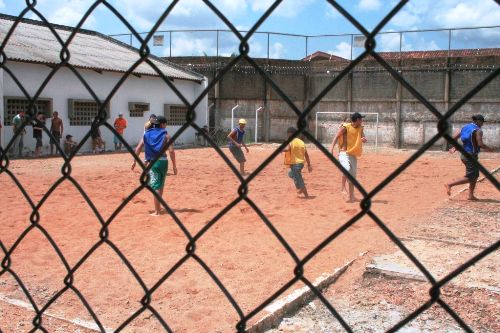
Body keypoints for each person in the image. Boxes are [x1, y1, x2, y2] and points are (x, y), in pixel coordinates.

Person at [131, 116, 177, 216]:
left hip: (153, 163)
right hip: (164, 162)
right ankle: (158, 206)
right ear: (162, 125)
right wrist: (174, 166)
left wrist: (134, 161)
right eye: (165, 124)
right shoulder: (165, 134)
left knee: (156, 185)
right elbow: (171, 151)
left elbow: (138, 148)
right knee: (161, 185)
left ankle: (157, 211)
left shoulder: (146, 134)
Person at [445, 115, 491, 200]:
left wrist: (456, 147)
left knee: (475, 175)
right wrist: (489, 148)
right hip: (471, 156)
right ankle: (450, 184)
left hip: (464, 155)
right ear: (477, 121)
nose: (482, 124)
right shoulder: (478, 130)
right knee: (470, 177)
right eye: (482, 122)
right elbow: (480, 144)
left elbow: (453, 138)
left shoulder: (465, 127)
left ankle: (470, 195)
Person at [330, 112, 367, 202]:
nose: (362, 120)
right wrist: (331, 149)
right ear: (357, 120)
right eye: (361, 119)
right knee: (346, 168)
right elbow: (336, 136)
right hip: (344, 153)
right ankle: (342, 187)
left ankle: (351, 197)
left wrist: (364, 139)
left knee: (352, 177)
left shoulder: (360, 129)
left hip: (353, 154)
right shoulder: (345, 128)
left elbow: (363, 138)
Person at [283, 127, 312, 198]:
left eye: (288, 134)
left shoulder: (291, 141)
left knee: (299, 179)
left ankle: (306, 194)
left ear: (290, 134)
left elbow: (287, 149)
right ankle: (300, 188)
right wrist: (308, 165)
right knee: (290, 174)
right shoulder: (302, 142)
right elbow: (306, 155)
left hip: (295, 164)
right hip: (301, 163)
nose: (287, 135)